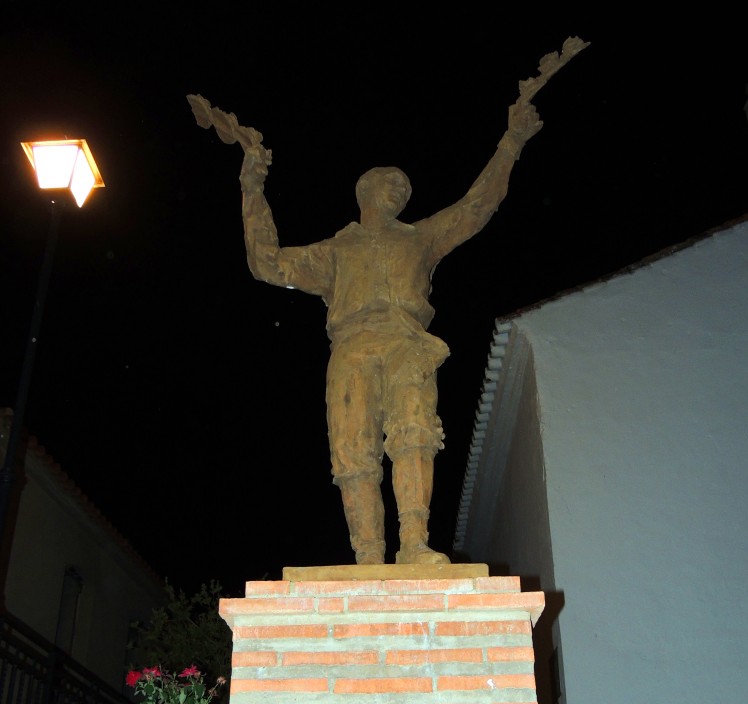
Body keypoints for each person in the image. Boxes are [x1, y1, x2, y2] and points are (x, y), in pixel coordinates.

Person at [188, 37, 587, 565]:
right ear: (365, 192)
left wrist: (510, 143)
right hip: (351, 346)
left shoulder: (420, 238)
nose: (400, 190)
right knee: (353, 450)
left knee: (415, 433)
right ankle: (369, 557)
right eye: (390, 183)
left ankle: (415, 544)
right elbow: (267, 263)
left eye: (404, 187)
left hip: (406, 343)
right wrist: (252, 186)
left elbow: (475, 208)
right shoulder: (335, 251)